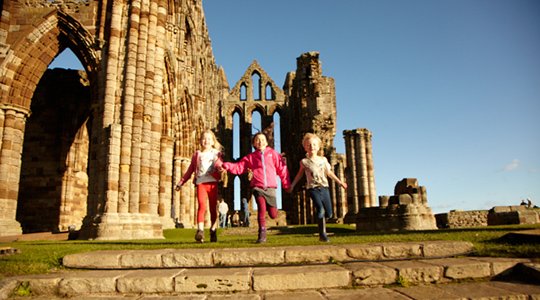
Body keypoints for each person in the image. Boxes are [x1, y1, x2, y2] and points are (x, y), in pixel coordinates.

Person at [219, 132, 291, 243]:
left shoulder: (273, 154)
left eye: (262, 139)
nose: (260, 141)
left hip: (271, 187)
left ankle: (271, 212)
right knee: (261, 209)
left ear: (266, 142)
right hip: (258, 187)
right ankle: (262, 233)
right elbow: (239, 167)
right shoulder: (251, 157)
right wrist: (227, 165)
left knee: (273, 214)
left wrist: (286, 184)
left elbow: (282, 169)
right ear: (254, 143)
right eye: (257, 140)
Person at [289, 133, 347, 242]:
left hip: (324, 187)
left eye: (314, 144)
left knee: (329, 213)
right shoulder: (304, 162)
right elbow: (299, 175)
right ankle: (322, 234)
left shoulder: (323, 160)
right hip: (312, 188)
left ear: (318, 146)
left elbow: (329, 173)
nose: (312, 147)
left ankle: (322, 226)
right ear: (305, 147)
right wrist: (292, 185)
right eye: (309, 145)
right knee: (320, 209)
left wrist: (340, 182)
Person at [175, 130, 223, 243]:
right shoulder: (197, 155)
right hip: (201, 182)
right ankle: (200, 231)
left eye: (209, 139)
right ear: (201, 141)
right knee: (201, 206)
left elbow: (219, 163)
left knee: (212, 208)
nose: (206, 141)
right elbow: (190, 170)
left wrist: (221, 167)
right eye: (204, 138)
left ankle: (213, 229)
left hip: (212, 183)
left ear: (213, 141)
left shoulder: (216, 153)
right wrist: (181, 182)